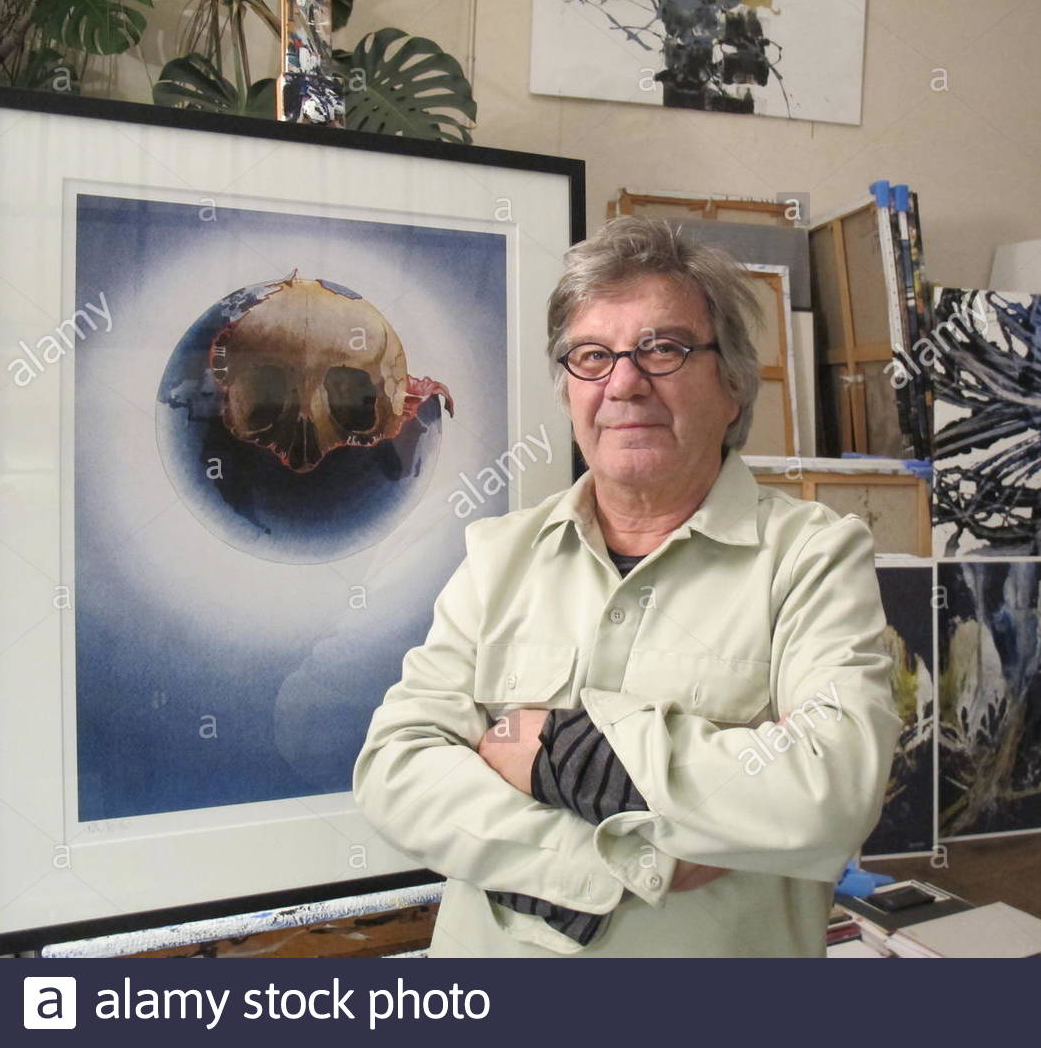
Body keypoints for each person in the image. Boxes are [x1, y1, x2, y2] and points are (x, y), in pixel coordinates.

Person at [352, 216, 901, 957]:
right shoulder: (498, 556)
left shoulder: (812, 558)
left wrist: (549, 751)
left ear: (733, 385)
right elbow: (395, 768)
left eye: (663, 348)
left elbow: (833, 787)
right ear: (568, 391)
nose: (624, 383)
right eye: (592, 356)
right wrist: (620, 858)